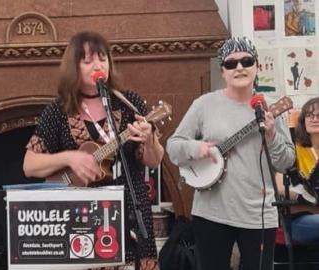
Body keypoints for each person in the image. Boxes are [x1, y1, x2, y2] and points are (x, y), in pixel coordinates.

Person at [23, 31, 163, 270]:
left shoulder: (129, 103)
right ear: (73, 67)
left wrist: (149, 139)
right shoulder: (59, 111)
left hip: (131, 210)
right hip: (81, 218)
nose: (98, 65)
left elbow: (153, 160)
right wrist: (70, 157)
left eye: (102, 58)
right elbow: (29, 165)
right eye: (88, 61)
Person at [166, 37, 295, 270]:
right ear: (222, 71)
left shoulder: (272, 109)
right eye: (231, 63)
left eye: (246, 61)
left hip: (259, 214)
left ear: (257, 67)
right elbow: (173, 147)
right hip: (211, 213)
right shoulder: (204, 104)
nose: (239, 67)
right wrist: (198, 149)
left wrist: (272, 135)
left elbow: (286, 162)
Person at [277, 97, 319, 244]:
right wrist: (309, 198)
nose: (314, 119)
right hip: (299, 218)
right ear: (303, 120)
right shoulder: (293, 151)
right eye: (309, 115)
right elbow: (280, 188)